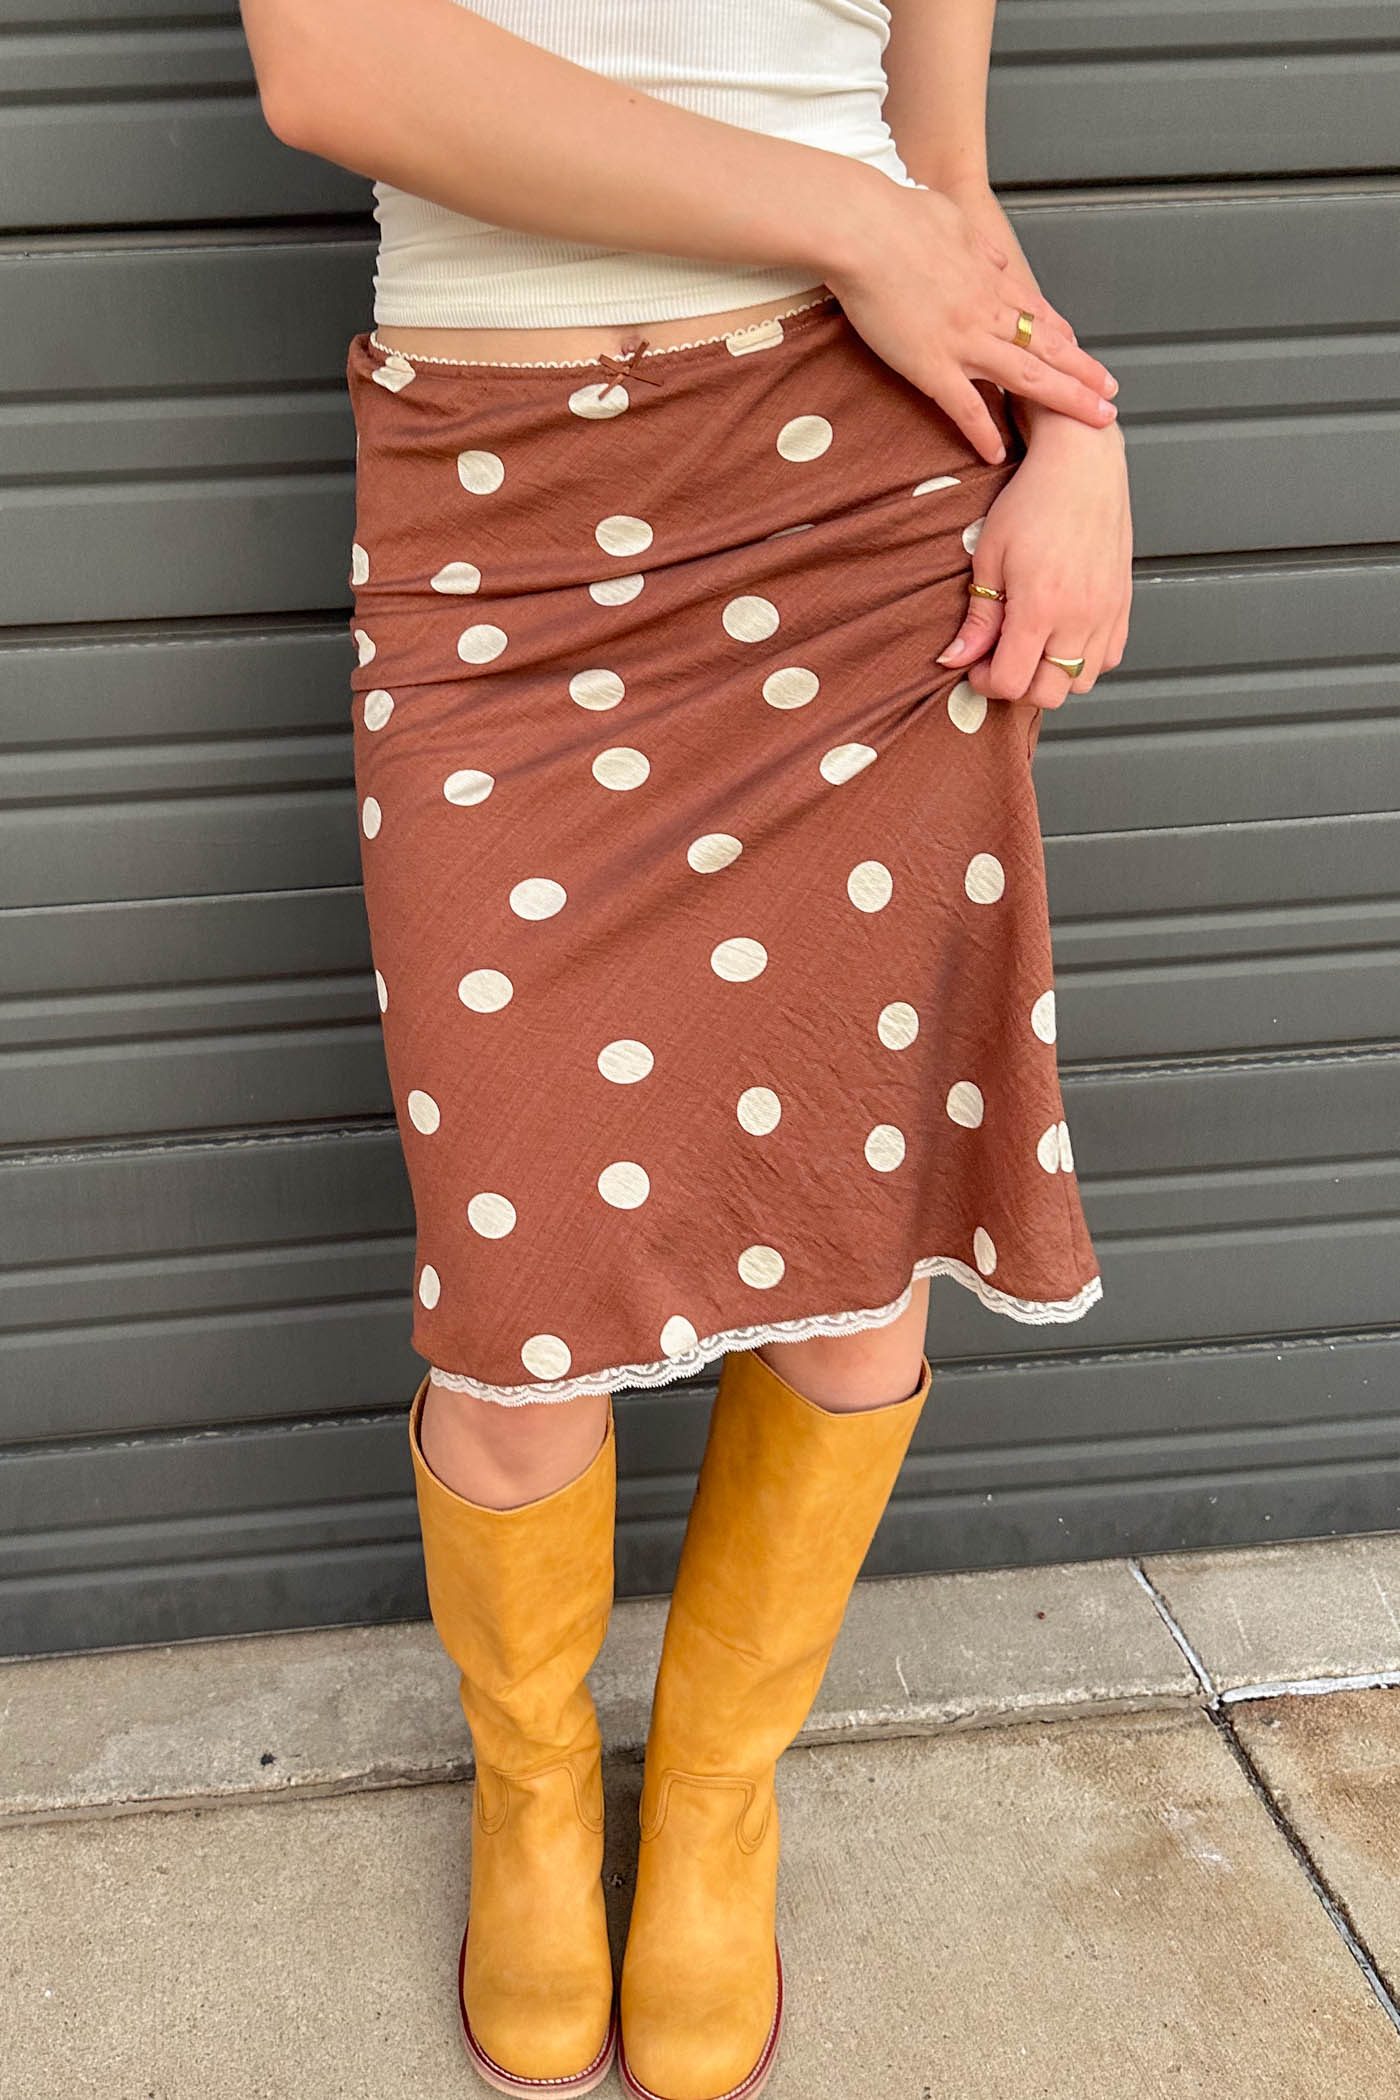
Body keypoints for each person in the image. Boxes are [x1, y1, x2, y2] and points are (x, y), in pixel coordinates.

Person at [240, 3, 1131, 2094]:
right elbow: (337, 69)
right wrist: (843, 215)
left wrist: (1076, 434)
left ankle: (718, 1797)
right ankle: (534, 1790)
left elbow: (945, 180)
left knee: (850, 1266)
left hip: (867, 511)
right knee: (514, 1320)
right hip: (500, 518)